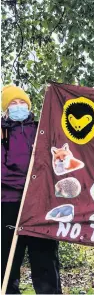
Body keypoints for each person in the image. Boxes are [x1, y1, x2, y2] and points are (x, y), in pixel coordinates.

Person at [1, 85, 62, 293]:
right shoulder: (2, 133)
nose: (18, 106)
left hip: (40, 204)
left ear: (29, 106)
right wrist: (30, 179)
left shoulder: (41, 129)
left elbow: (54, 163)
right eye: (13, 103)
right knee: (7, 259)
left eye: (22, 103)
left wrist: (37, 184)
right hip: (9, 205)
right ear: (6, 110)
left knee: (45, 257)